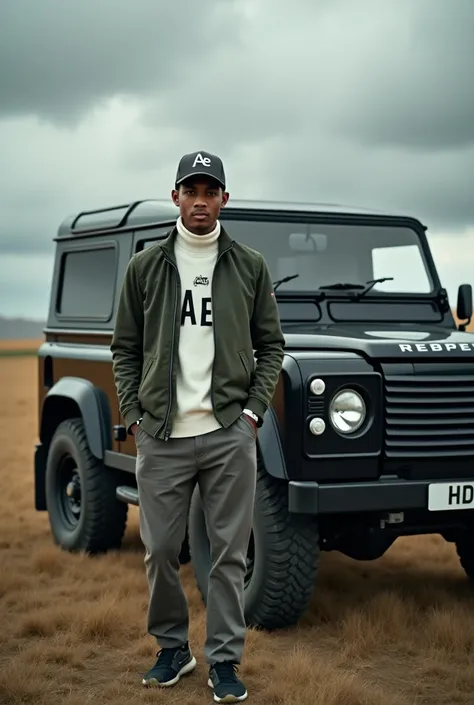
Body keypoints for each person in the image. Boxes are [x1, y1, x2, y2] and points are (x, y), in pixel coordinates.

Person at [110, 150, 285, 703]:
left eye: (211, 191)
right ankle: (173, 649)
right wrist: (135, 415)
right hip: (161, 435)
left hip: (227, 431)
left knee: (229, 554)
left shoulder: (250, 265)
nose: (201, 200)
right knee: (161, 547)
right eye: (192, 190)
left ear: (224, 200)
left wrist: (253, 411)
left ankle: (225, 661)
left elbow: (271, 344)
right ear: (176, 197)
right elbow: (125, 348)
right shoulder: (146, 266)